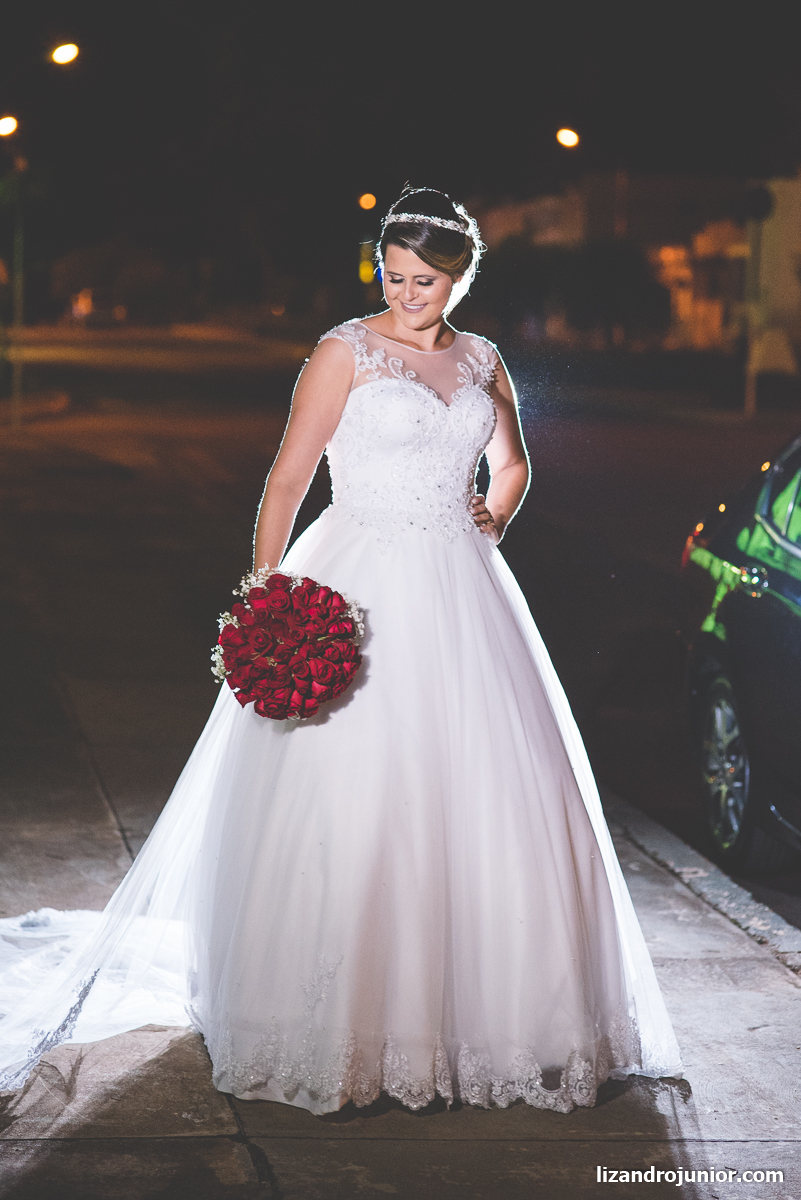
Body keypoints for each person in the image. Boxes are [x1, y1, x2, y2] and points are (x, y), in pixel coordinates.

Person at [0, 188, 681, 1114]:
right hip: (351, 578)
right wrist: (266, 595)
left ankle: (497, 1014)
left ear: (459, 278)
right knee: (350, 792)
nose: (407, 293)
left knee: (485, 795)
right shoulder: (342, 352)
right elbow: (285, 479)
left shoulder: (483, 361)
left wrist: (496, 510)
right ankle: (332, 1013)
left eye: (426, 279)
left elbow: (513, 461)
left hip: (464, 587)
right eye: (394, 276)